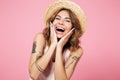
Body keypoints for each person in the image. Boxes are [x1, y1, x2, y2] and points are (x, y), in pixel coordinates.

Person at [29, 0, 86, 80]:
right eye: (58, 18)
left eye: (67, 20)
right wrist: (53, 45)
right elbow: (33, 75)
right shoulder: (40, 38)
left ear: (73, 28)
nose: (61, 22)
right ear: (51, 23)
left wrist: (59, 47)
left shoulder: (76, 51)